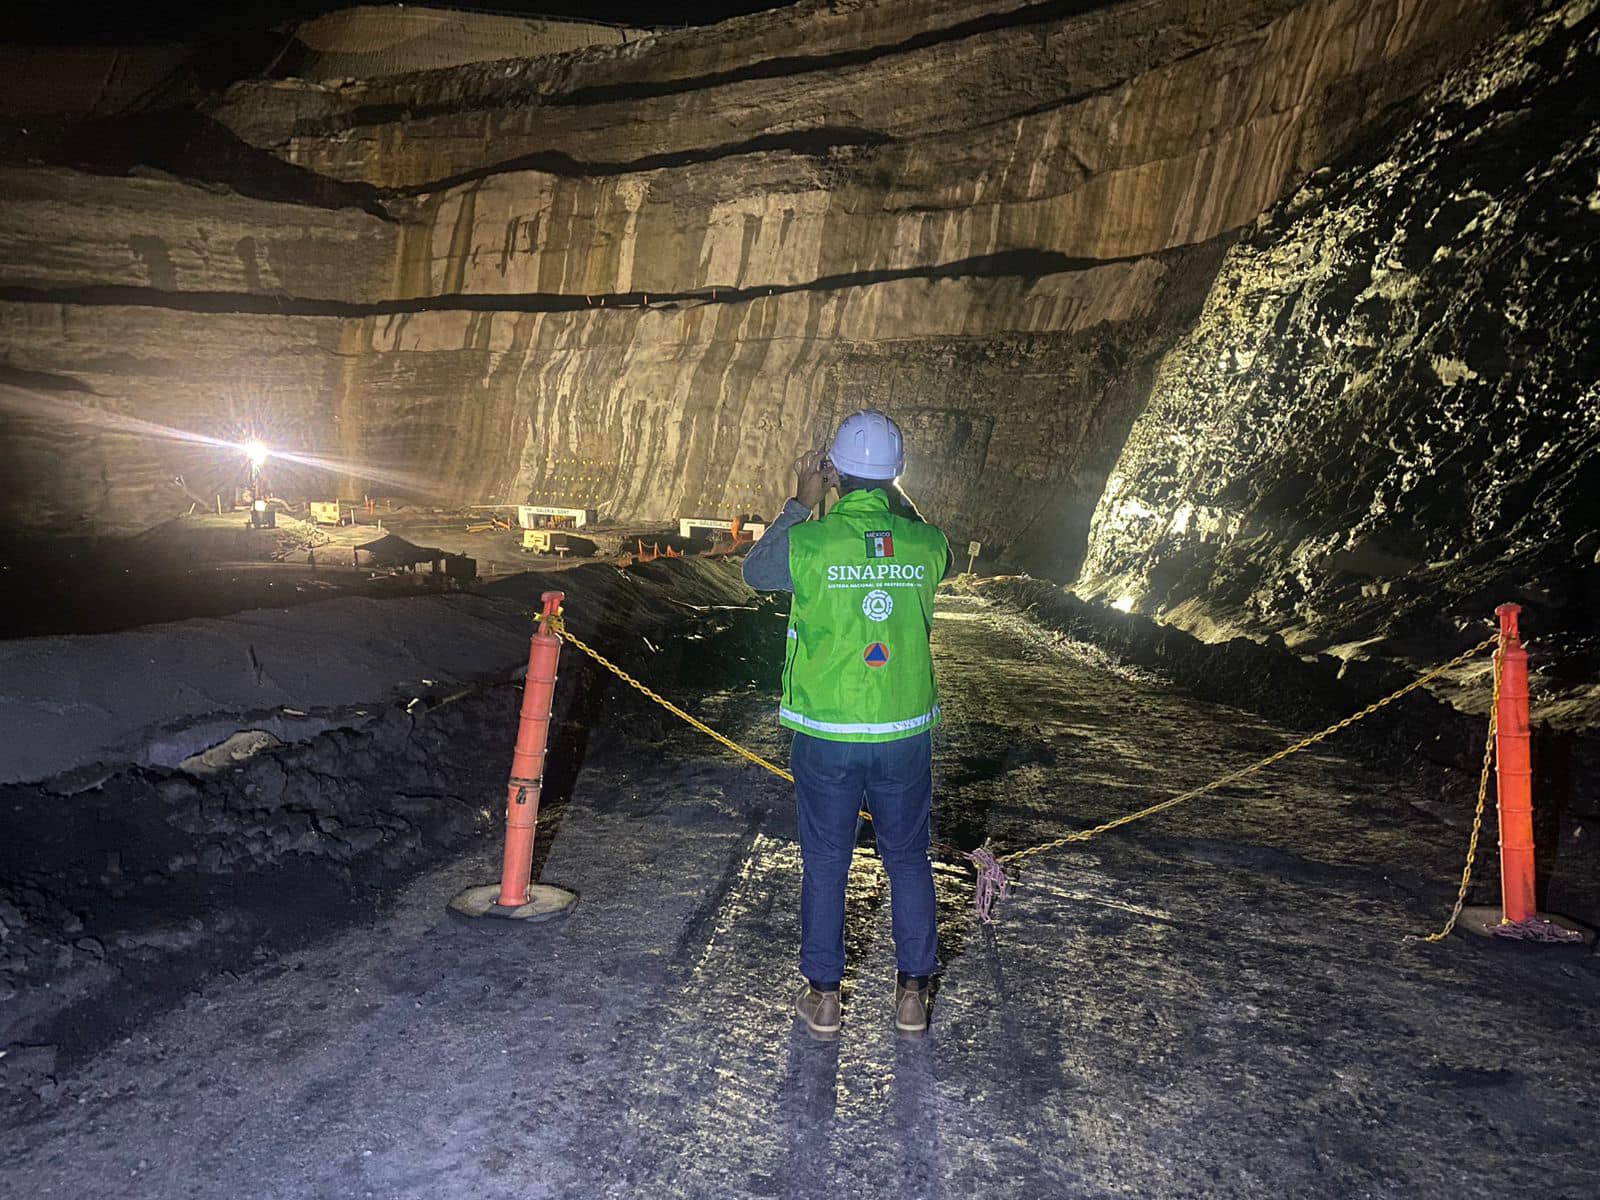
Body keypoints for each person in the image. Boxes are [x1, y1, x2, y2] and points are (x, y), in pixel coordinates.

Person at [742, 410, 952, 1038]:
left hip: (828, 732)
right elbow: (916, 531)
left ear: (833, 469)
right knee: (908, 859)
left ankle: (825, 996)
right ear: (896, 475)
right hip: (903, 733)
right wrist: (887, 488)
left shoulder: (810, 543)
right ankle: (913, 994)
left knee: (828, 861)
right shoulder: (927, 544)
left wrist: (802, 500)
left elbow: (758, 573)